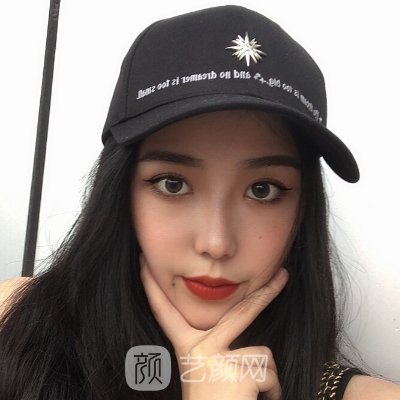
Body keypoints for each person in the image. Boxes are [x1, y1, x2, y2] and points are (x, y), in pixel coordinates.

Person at [0, 5, 399, 400]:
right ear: (119, 191)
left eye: (263, 189)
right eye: (173, 184)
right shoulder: (17, 325)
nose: (216, 243)